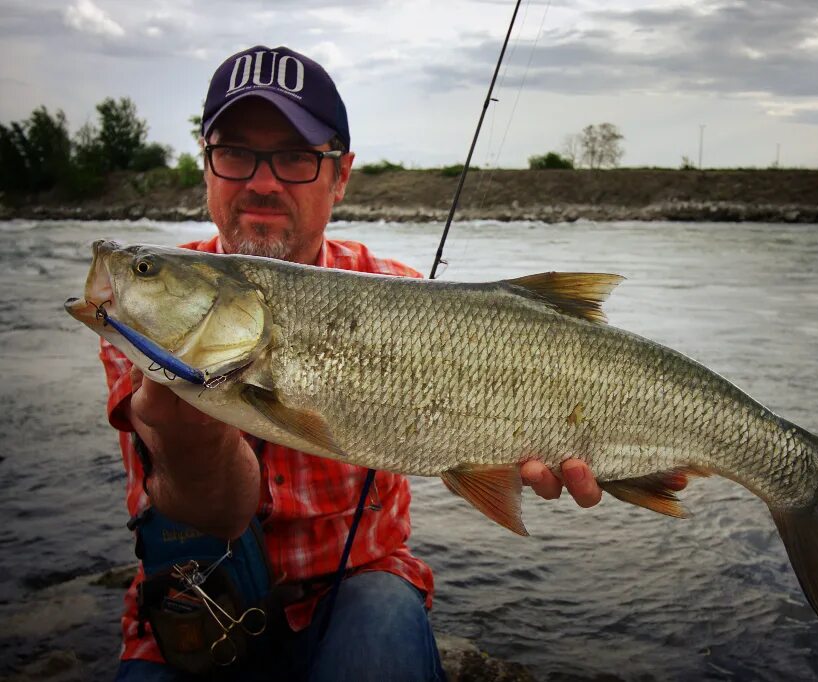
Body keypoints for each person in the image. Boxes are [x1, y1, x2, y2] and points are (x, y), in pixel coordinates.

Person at [105, 45, 604, 682]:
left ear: (341, 175)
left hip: (360, 596)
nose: (262, 181)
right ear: (206, 168)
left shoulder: (406, 295)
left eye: (295, 157)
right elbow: (216, 513)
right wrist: (188, 435)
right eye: (234, 153)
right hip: (196, 610)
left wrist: (517, 446)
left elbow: (472, 443)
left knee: (380, 616)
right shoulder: (154, 303)